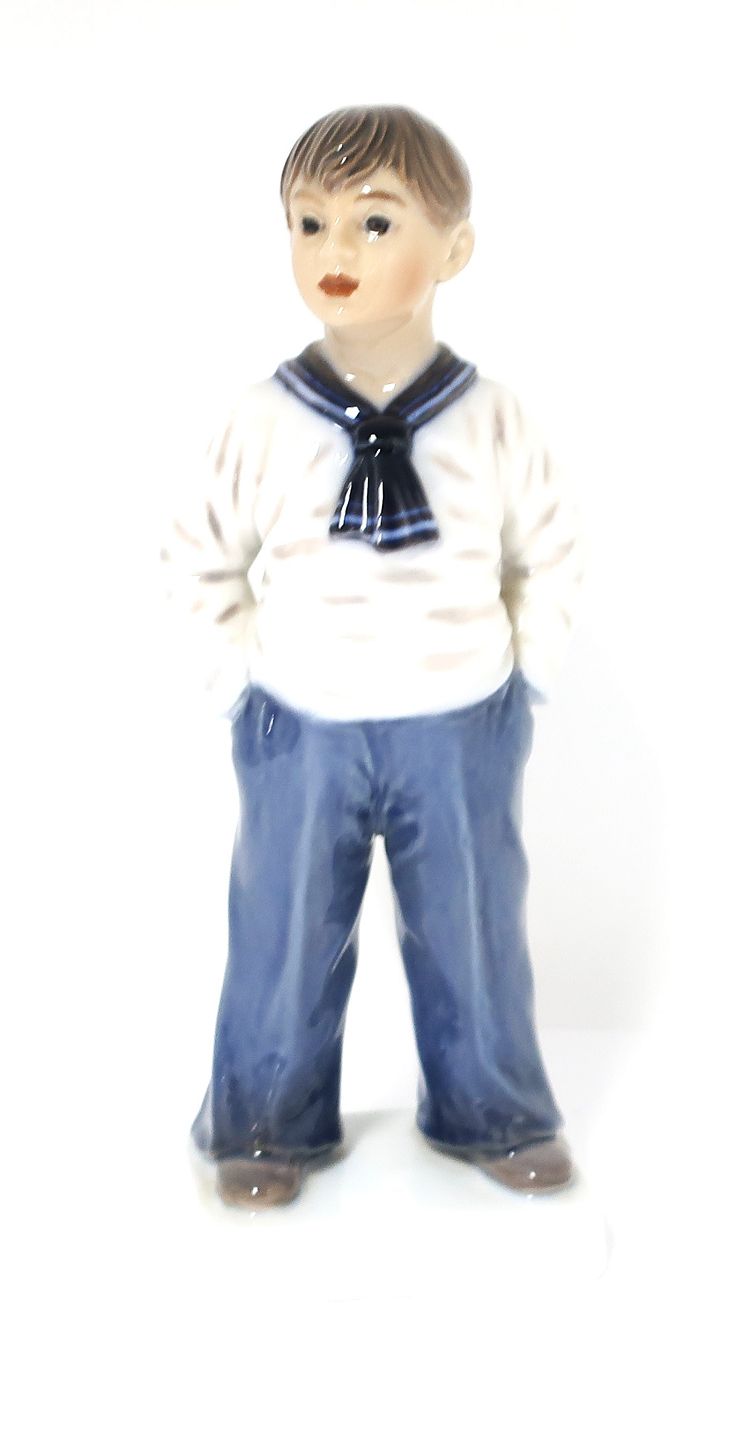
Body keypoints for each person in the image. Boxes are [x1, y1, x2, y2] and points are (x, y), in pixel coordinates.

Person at [161, 105, 583, 1207]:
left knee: (473, 929)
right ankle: (265, 1120)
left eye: (375, 223)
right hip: (302, 721)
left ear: (456, 248)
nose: (335, 251)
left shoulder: (492, 417)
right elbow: (199, 554)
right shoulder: (264, 417)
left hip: (459, 716)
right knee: (284, 932)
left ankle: (493, 1108)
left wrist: (524, 676)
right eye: (310, 223)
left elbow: (549, 550)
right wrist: (238, 684)